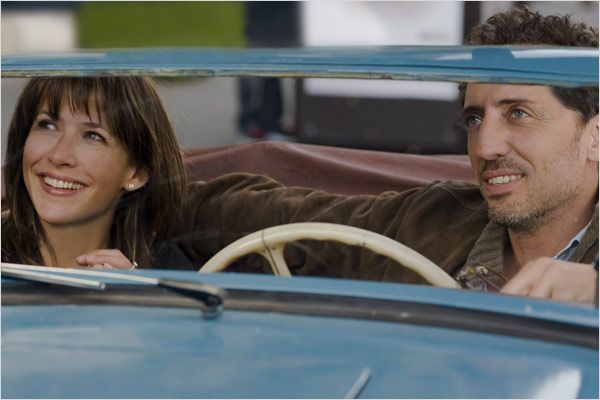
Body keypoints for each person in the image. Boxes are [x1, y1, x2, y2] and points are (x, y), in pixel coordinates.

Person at [171, 6, 598, 304]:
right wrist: (145, 194)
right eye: (474, 119)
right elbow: (279, 217)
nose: (485, 147)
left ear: (595, 137)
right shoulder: (431, 221)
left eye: (518, 114)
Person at [2, 77, 194, 270]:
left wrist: (135, 287)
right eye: (47, 125)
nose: (58, 156)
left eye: (93, 136)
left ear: (138, 174)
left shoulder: (166, 268)